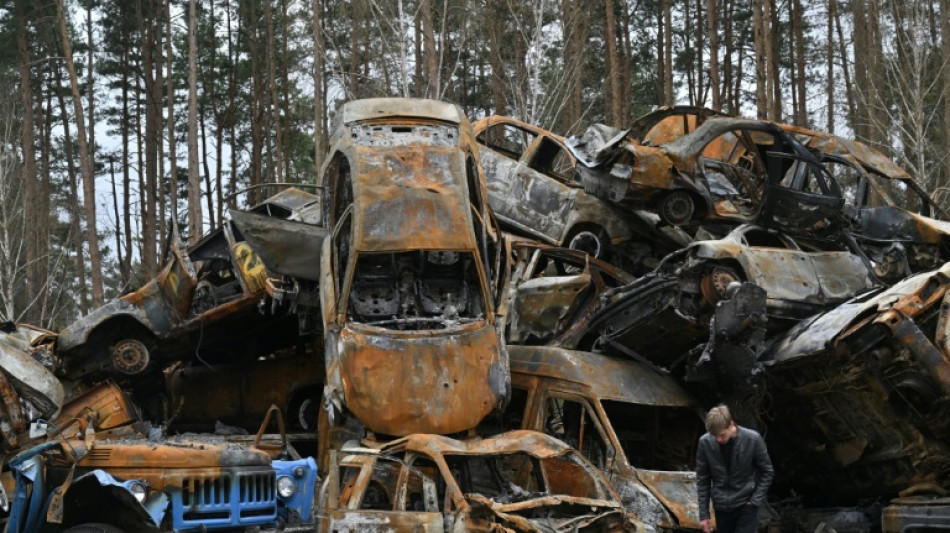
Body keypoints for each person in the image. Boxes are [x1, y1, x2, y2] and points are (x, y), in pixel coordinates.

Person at [696, 404, 773, 533]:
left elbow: (767, 471)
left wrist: (755, 500)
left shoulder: (752, 439)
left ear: (731, 424)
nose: (718, 439)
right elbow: (703, 480)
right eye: (714, 435)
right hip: (721, 507)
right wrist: (704, 515)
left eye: (722, 435)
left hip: (746, 504)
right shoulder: (705, 442)